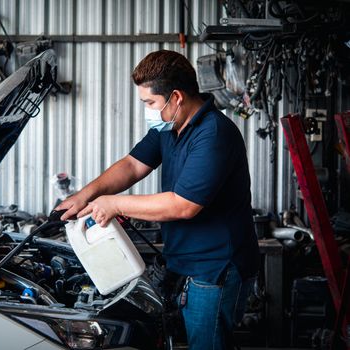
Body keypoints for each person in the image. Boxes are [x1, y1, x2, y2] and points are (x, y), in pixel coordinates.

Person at [55, 50, 260, 349]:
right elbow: (132, 165)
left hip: (215, 268)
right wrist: (85, 195)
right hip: (185, 263)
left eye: (150, 102)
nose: (148, 110)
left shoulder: (213, 133)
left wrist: (115, 203)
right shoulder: (169, 127)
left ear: (176, 97)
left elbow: (183, 205)